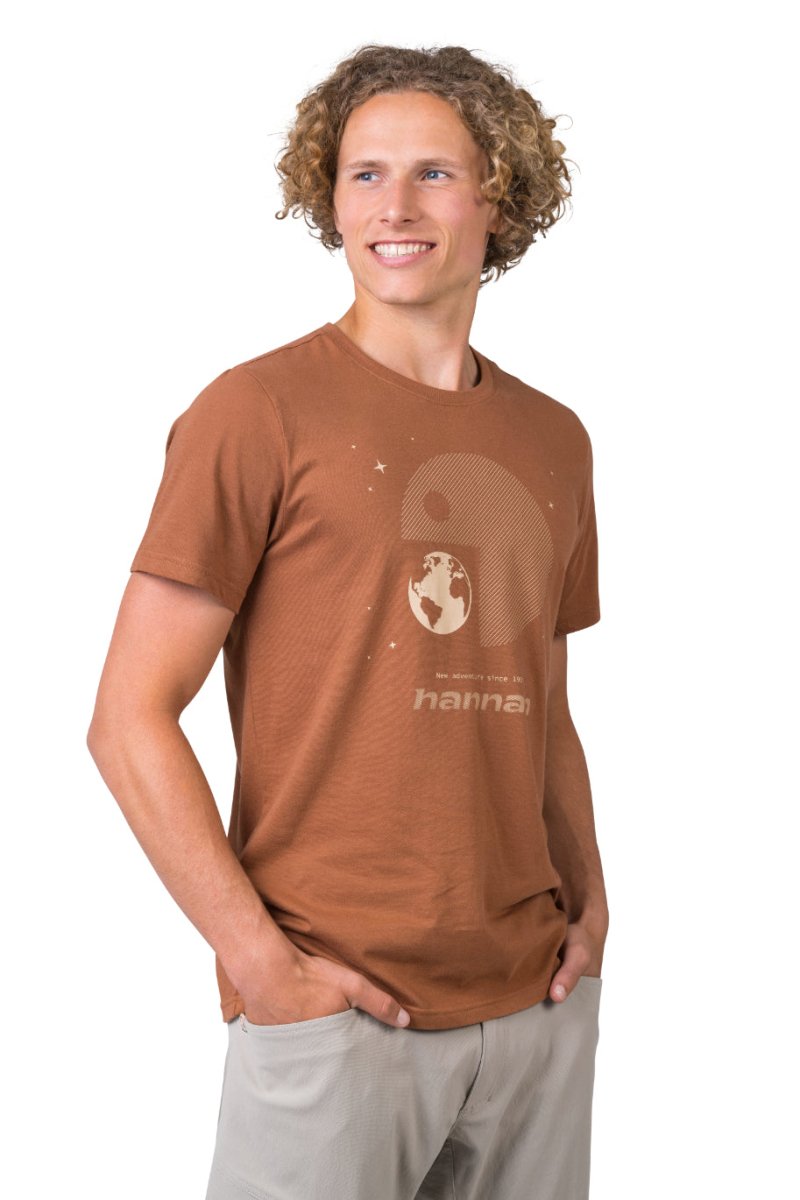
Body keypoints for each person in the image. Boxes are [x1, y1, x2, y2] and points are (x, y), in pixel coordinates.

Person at [87, 42, 609, 1200]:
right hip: (337, 1015)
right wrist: (260, 965)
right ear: (326, 197)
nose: (393, 207)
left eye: (433, 173)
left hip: (534, 1008)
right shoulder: (254, 413)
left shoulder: (553, 440)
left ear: (499, 197)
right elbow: (127, 718)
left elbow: (542, 704)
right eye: (364, 173)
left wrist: (592, 903)